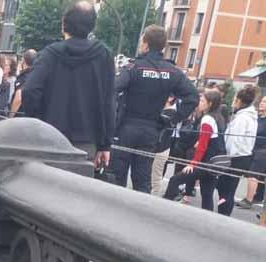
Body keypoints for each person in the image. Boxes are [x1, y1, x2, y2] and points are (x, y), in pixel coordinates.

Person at [19, 1, 115, 168]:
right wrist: (105, 144)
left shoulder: (49, 54)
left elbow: (30, 91)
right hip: (86, 141)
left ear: (64, 23)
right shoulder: (104, 55)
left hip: (50, 138)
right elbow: (109, 102)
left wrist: (40, 120)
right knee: (76, 190)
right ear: (92, 25)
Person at [107, 25, 199, 193]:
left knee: (115, 178)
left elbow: (111, 90)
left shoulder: (133, 68)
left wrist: (112, 118)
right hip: (152, 130)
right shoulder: (172, 71)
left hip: (126, 128)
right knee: (142, 182)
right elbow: (192, 97)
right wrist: (171, 118)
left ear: (146, 44)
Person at [163, 89, 226, 212]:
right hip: (214, 162)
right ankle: (209, 221)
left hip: (205, 161)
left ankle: (165, 209)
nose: (199, 103)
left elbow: (202, 145)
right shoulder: (219, 117)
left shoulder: (207, 119)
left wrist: (193, 163)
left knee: (174, 180)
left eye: (202, 100)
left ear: (210, 104)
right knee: (207, 194)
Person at [221, 84, 258, 214]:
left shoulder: (242, 118)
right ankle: (224, 211)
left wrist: (227, 157)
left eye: (234, 99)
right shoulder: (251, 116)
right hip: (244, 156)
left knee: (226, 189)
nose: (232, 101)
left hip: (235, 157)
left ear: (239, 101)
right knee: (229, 188)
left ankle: (223, 213)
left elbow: (234, 140)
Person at [241, 95, 266, 207]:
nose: (261, 103)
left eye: (265, 102)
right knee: (258, 175)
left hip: (262, 151)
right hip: (254, 149)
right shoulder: (258, 118)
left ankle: (248, 200)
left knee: (253, 174)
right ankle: (258, 197)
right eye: (261, 101)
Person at [9, 49, 36, 116]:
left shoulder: (23, 77)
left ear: (23, 60)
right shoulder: (36, 76)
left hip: (19, 115)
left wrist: (11, 115)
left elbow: (19, 98)